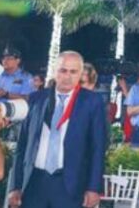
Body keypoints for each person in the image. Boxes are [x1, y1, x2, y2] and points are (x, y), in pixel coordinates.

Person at [7, 51, 106, 208]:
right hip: (34, 182)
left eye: (73, 72)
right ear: (54, 71)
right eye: (63, 70)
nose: (67, 76)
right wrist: (15, 186)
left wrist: (93, 188)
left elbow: (98, 148)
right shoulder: (36, 99)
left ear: (80, 73)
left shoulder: (92, 102)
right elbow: (22, 146)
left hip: (70, 184)